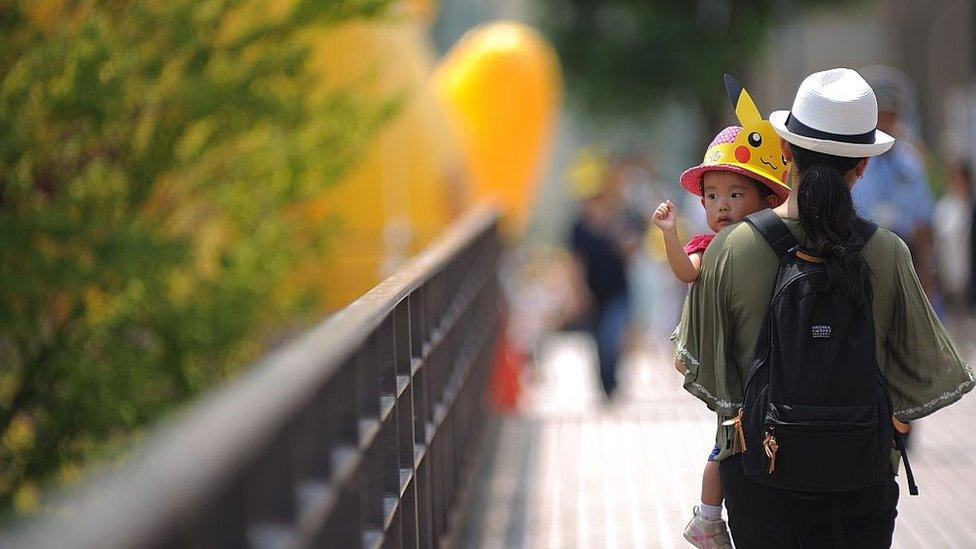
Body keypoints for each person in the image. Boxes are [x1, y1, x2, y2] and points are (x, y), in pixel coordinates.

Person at [672, 68, 974, 547]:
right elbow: (921, 371)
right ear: (862, 167)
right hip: (862, 482)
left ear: (786, 152)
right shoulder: (889, 252)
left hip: (758, 481)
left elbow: (699, 365)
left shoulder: (731, 248)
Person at [652, 117, 789, 548]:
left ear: (766, 199)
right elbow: (684, 273)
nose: (722, 206)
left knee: (730, 442)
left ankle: (709, 518)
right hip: (724, 367)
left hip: (756, 362)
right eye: (712, 196)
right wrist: (671, 234)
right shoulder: (707, 247)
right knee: (725, 448)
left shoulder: (773, 243)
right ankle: (709, 521)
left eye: (734, 194)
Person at [852, 66, 941, 311]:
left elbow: (923, 225)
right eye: (881, 115)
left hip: (905, 253)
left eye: (892, 115)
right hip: (864, 252)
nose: (886, 122)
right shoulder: (856, 159)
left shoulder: (911, 162)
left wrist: (927, 277)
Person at [567, 150, 641, 401]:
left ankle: (612, 385)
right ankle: (606, 387)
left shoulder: (618, 220)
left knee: (612, 336)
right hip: (593, 293)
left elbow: (631, 250)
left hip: (618, 291)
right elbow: (575, 263)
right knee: (599, 342)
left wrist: (623, 242)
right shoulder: (579, 227)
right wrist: (578, 293)